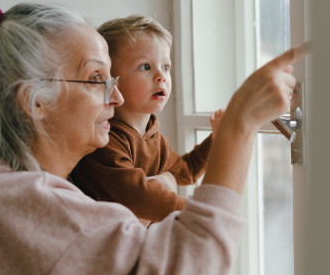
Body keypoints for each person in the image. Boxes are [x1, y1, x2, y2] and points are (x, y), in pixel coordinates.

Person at [0, 2, 308, 275]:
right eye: (95, 79)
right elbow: (178, 271)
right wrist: (239, 125)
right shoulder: (12, 206)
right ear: (36, 102)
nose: (116, 97)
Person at [71, 15, 224, 227]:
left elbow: (186, 171)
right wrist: (194, 211)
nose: (161, 76)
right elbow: (136, 196)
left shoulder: (153, 137)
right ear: (111, 79)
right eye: (145, 67)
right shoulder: (105, 140)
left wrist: (217, 138)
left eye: (166, 67)